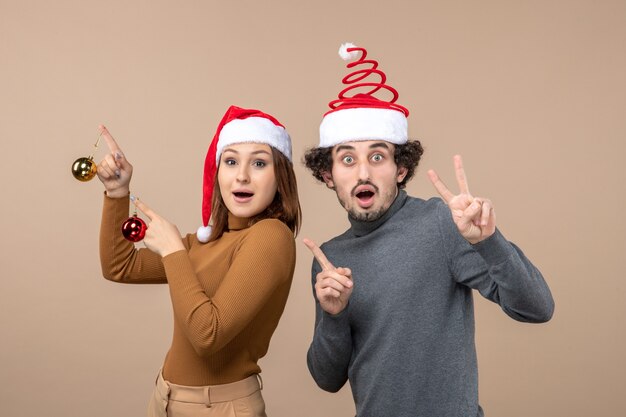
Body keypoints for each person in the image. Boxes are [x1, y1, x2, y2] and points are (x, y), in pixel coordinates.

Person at [303, 43, 554, 417]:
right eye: (347, 159)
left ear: (401, 169)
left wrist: (488, 242)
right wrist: (334, 315)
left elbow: (538, 308)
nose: (363, 173)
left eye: (377, 156)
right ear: (328, 175)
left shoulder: (440, 223)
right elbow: (327, 378)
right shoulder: (330, 259)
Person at [96, 105, 301, 417]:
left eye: (259, 163)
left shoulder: (271, 236)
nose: (242, 176)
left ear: (280, 176)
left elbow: (209, 335)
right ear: (217, 172)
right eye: (231, 161)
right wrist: (117, 193)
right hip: (164, 398)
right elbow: (119, 266)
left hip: (218, 408)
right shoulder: (205, 241)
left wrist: (173, 251)